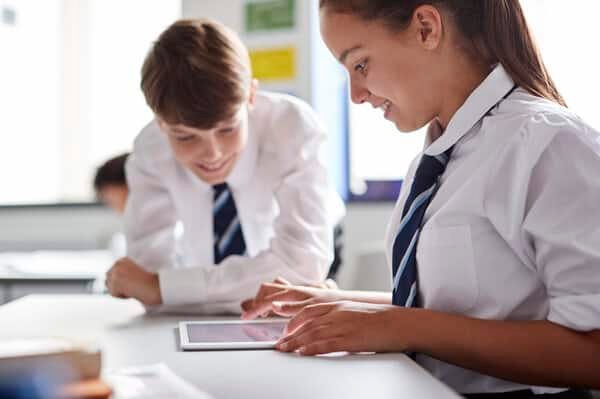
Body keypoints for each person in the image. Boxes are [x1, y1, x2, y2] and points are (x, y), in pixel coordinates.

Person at [242, 0, 600, 397]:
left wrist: (397, 326)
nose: (356, 95)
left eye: (360, 65)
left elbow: (592, 351)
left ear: (427, 28)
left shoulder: (549, 144)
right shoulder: (437, 157)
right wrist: (333, 300)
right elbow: (466, 310)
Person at [104, 19, 345, 314]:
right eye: (185, 137)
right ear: (159, 121)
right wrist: (164, 288)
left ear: (252, 96)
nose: (212, 154)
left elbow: (303, 268)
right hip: (213, 277)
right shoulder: (150, 150)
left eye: (227, 129)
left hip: (323, 239)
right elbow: (146, 278)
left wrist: (169, 288)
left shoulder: (292, 127)